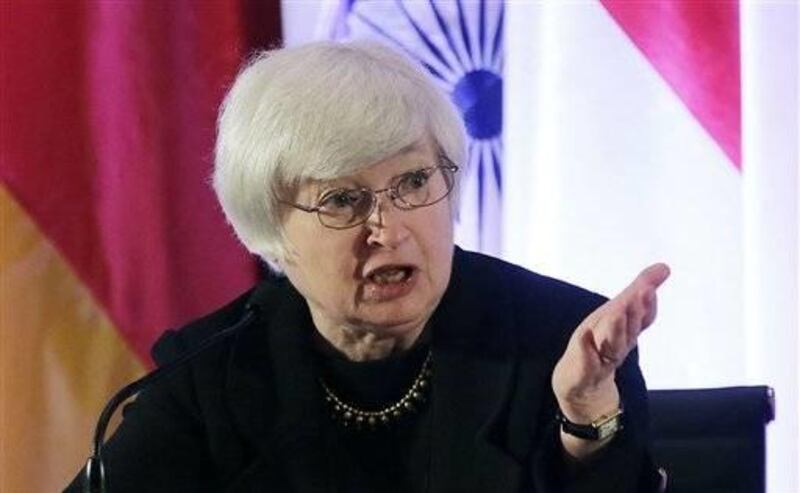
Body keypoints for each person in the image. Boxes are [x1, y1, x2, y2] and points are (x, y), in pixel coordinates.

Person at [67, 41, 669, 492]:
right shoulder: (212, 375)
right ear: (271, 232)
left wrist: (587, 420)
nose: (389, 227)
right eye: (342, 200)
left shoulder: (560, 339)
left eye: (412, 181)